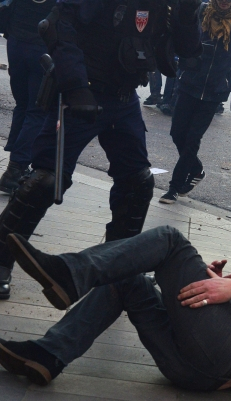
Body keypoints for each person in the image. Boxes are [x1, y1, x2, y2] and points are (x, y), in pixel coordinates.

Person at [0, 197, 231, 390]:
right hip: (192, 368)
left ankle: (69, 273)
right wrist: (222, 286)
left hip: (230, 355)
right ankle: (49, 355)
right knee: (126, 281)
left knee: (170, 240)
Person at [0, 0, 203, 300]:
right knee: (46, 180)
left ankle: (118, 267)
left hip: (123, 97)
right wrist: (75, 84)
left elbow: (187, 51)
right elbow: (58, 26)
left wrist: (189, 13)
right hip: (81, 92)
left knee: (138, 182)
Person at [159, 0, 231, 204]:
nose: (223, 1)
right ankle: (196, 170)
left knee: (192, 139)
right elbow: (179, 30)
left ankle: (174, 188)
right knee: (178, 133)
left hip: (215, 90)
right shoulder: (202, 11)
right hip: (189, 83)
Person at [0, 0, 56, 195]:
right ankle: (16, 167)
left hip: (17, 41)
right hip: (40, 46)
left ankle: (16, 162)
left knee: (23, 105)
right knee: (37, 110)